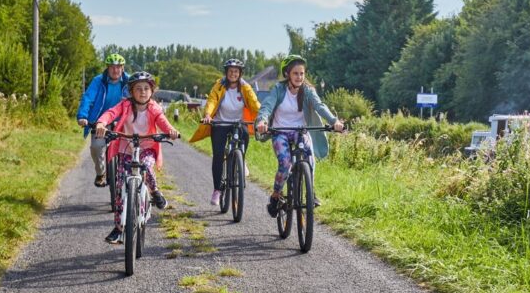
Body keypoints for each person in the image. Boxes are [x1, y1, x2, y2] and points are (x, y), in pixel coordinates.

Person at [94, 72, 181, 244]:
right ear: (131, 91)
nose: (142, 92)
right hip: (126, 148)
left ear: (152, 91)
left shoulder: (154, 108)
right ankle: (119, 228)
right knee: (119, 187)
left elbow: (162, 121)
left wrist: (170, 130)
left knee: (147, 167)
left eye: (146, 88)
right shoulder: (125, 105)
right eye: (138, 89)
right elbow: (111, 113)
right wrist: (101, 123)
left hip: (147, 147)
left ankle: (154, 192)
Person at [255, 55, 345, 218]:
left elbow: (320, 106)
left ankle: (311, 191)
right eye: (295, 73)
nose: (299, 77)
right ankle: (276, 195)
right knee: (285, 162)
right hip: (280, 132)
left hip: (300, 131)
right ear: (287, 74)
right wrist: (262, 120)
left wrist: (334, 121)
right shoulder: (278, 89)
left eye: (302, 74)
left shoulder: (308, 91)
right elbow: (267, 106)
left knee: (309, 156)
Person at [189, 58, 261, 206]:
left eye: (236, 71)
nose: (233, 74)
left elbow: (254, 103)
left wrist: (263, 118)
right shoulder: (219, 85)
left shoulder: (245, 87)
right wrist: (208, 115)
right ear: (226, 73)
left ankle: (241, 158)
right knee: (218, 156)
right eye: (230, 71)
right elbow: (212, 101)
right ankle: (217, 190)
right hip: (220, 123)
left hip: (238, 122)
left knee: (245, 134)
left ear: (240, 73)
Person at [77, 54, 131, 187]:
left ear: (123, 68)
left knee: (130, 147)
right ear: (107, 68)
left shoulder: (129, 81)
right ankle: (101, 173)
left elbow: (138, 97)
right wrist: (83, 116)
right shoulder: (98, 81)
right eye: (112, 67)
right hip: (101, 121)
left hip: (122, 121)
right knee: (96, 146)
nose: (115, 70)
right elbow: (88, 98)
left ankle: (130, 176)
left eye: (118, 67)